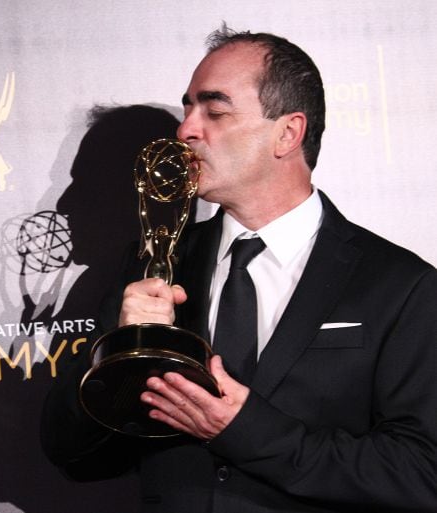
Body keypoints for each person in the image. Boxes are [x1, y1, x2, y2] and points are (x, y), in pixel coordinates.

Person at [40, 25, 437, 512]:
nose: (186, 129)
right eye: (187, 108)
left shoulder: (401, 285)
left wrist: (244, 430)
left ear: (288, 133)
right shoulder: (153, 266)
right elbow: (73, 456)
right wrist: (120, 356)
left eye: (214, 110)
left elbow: (421, 473)